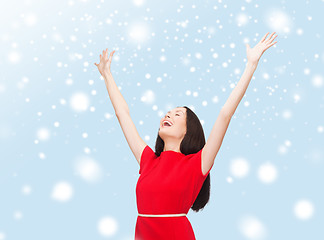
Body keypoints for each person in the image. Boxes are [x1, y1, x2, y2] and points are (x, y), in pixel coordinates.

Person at [94, 32, 278, 239]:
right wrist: (107, 75)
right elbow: (122, 114)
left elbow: (225, 114)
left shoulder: (197, 164)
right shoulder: (147, 160)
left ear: (188, 129)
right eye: (167, 113)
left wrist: (251, 64)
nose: (168, 115)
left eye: (177, 114)